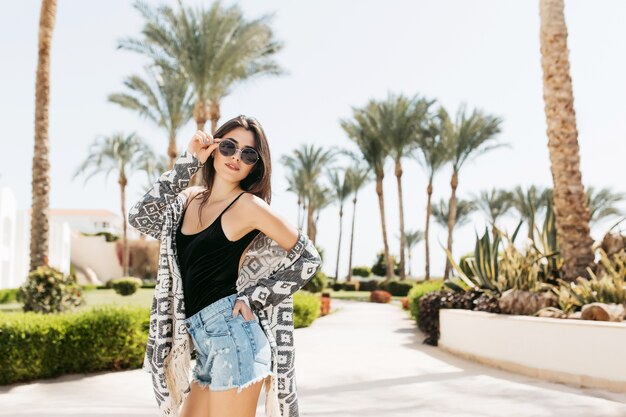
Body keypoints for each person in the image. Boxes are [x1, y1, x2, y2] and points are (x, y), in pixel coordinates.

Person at [128, 115, 322, 417]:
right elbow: (141, 217)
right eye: (229, 146)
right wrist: (189, 162)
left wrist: (256, 297)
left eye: (248, 154)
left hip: (234, 335)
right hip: (204, 341)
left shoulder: (249, 206)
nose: (236, 157)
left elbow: (309, 257)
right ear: (214, 147)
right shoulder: (189, 198)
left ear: (255, 165)